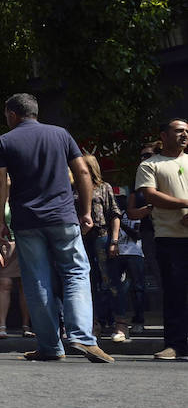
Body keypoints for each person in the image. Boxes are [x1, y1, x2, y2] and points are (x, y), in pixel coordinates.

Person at [0, 93, 113, 363]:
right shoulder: (60, 134)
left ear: (12, 114)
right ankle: (82, 338)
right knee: (75, 274)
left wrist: (1, 220)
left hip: (27, 222)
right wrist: (85, 212)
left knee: (37, 282)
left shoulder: (4, 141)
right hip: (63, 217)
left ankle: (50, 346)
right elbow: (82, 173)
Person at [135, 118, 188, 360]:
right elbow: (151, 196)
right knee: (175, 292)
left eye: (186, 131)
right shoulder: (150, 165)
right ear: (164, 136)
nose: (184, 135)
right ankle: (175, 345)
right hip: (170, 238)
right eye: (178, 131)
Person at [79, 154, 123, 335]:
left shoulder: (104, 188)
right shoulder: (74, 188)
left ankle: (120, 323)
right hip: (81, 238)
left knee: (110, 280)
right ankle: (95, 322)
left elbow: (114, 214)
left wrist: (114, 240)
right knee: (88, 282)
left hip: (102, 236)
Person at [0, 189, 33, 339]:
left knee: (24, 285)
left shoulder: (21, 197)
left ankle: (26, 326)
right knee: (5, 284)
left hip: (23, 244)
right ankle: (3, 325)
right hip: (5, 246)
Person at [126, 141, 163, 333]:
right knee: (159, 277)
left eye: (147, 155)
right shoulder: (139, 184)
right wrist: (150, 207)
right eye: (141, 156)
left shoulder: (165, 174)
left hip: (174, 230)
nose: (143, 159)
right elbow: (131, 212)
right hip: (149, 234)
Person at [113, 195, 144, 343]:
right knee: (117, 288)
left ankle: (139, 320)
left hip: (134, 253)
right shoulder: (114, 217)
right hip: (118, 254)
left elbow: (136, 235)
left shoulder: (133, 215)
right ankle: (118, 319)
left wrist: (120, 223)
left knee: (137, 288)